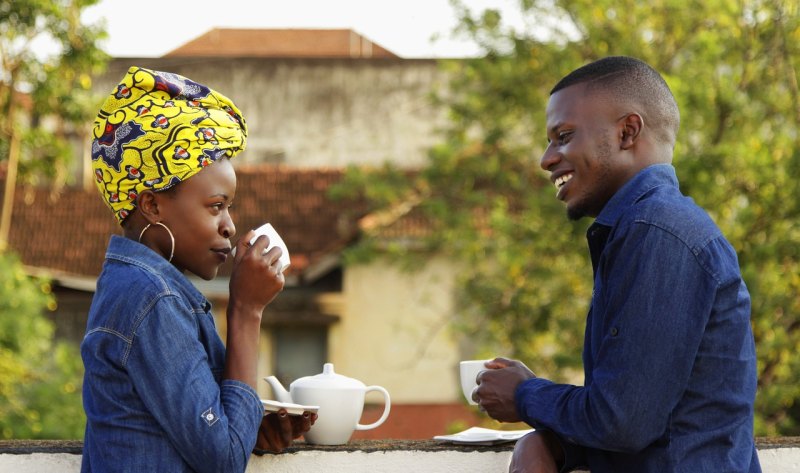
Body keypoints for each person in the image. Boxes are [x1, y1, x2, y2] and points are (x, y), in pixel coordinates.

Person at [474, 56, 761, 472]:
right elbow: (660, 426)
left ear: (628, 132)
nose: (546, 158)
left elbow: (623, 421)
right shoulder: (641, 229)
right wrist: (552, 446)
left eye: (564, 136)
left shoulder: (658, 232)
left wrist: (525, 395)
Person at [81, 66, 315, 472]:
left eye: (229, 207)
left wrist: (248, 430)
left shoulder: (137, 285)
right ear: (152, 205)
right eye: (216, 206)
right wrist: (246, 311)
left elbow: (189, 427)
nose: (230, 225)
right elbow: (221, 459)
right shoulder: (152, 299)